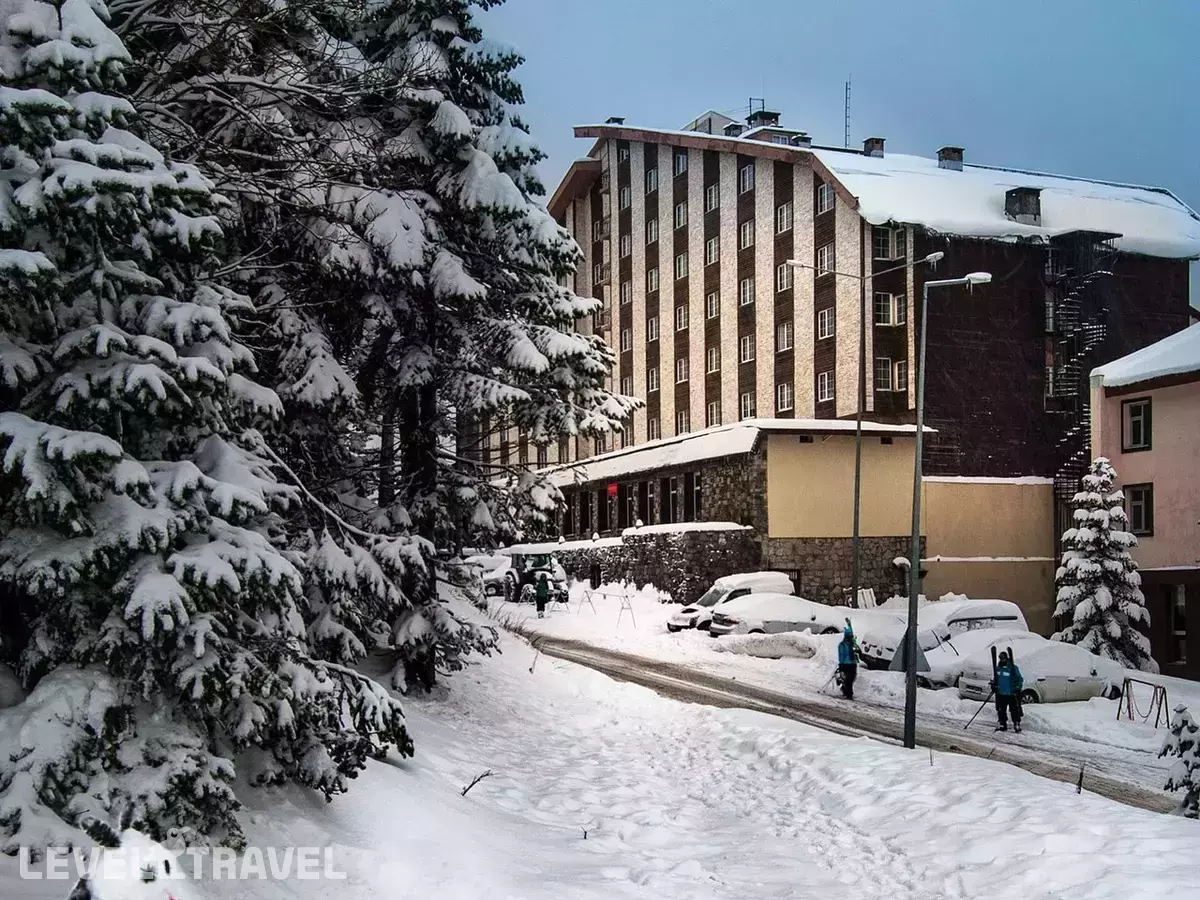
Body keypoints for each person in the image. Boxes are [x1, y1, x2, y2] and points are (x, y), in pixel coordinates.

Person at [993, 649, 1024, 732]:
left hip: (1011, 693)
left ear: (1006, 658)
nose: (1002, 660)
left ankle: (1016, 723)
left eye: (1003, 658)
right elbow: (996, 679)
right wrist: (994, 685)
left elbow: (1019, 679)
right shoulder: (998, 668)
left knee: (1014, 710)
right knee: (1001, 710)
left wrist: (1018, 688)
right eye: (1000, 658)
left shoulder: (1013, 668)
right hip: (1001, 693)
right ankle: (1002, 723)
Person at [836, 620, 859, 700]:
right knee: (849, 679)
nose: (851, 637)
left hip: (853, 663)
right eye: (850, 636)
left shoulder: (853, 643)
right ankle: (849, 693)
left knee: (851, 678)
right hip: (846, 664)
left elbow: (851, 632)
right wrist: (841, 665)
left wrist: (849, 624)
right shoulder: (842, 645)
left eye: (851, 636)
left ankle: (845, 689)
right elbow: (841, 656)